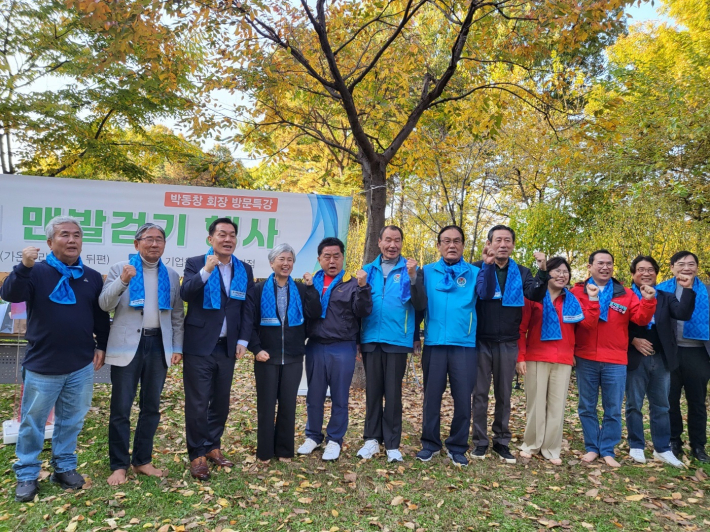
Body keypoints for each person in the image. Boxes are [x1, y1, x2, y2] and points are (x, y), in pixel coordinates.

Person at [0, 216, 110, 502]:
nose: (72, 240)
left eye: (77, 235)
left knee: (71, 421)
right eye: (64, 235)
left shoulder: (91, 276)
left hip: (81, 364)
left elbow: (100, 316)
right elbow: (11, 294)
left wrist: (102, 346)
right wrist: (23, 266)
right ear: (50, 242)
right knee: (33, 422)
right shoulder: (36, 272)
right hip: (43, 364)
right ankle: (26, 474)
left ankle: (64, 467)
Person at [99, 223, 185, 485]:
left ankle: (142, 460)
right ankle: (119, 465)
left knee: (151, 407)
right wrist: (123, 281)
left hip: (158, 346)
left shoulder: (170, 275)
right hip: (127, 346)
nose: (154, 244)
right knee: (121, 408)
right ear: (137, 244)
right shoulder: (120, 268)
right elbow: (105, 304)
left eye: (160, 240)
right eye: (149, 239)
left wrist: (177, 347)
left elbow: (178, 314)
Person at [180, 217, 255, 480]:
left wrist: (243, 340)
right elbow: (186, 294)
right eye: (222, 234)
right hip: (199, 346)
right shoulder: (195, 263)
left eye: (232, 234)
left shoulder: (243, 269)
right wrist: (206, 271)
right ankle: (197, 454)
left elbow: (247, 308)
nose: (227, 239)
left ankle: (213, 446)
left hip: (227, 347)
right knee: (198, 402)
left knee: (221, 402)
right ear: (210, 239)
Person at [571, 249, 656, 467]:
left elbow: (640, 319)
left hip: (615, 359)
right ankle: (592, 447)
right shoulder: (577, 291)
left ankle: (607, 448)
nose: (605, 267)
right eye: (600, 263)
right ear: (590, 266)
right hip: (586, 356)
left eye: (609, 263)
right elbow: (575, 323)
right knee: (586, 406)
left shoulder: (625, 293)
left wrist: (647, 301)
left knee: (613, 408)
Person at [415, 225, 492, 467]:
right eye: (446, 241)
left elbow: (487, 294)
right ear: (438, 245)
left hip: (464, 345)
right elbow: (418, 304)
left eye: (457, 241)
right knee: (432, 397)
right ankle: (430, 444)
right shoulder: (426, 272)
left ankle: (457, 446)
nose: (451, 245)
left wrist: (488, 266)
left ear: (463, 245)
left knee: (462, 398)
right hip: (435, 344)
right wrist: (415, 337)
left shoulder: (474, 271)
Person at [471, 225, 549, 464]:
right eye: (498, 240)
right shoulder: (476, 268)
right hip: (480, 341)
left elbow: (535, 294)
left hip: (507, 341)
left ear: (513, 245)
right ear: (489, 243)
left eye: (507, 240)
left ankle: (501, 442)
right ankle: (480, 442)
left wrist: (543, 270)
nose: (502, 244)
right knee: (480, 394)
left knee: (504, 395)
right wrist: (487, 266)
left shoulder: (523, 272)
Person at [517, 256, 600, 465]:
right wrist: (520, 356)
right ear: (548, 273)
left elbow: (588, 326)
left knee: (557, 405)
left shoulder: (572, 300)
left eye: (566, 272)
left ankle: (551, 448)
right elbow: (521, 329)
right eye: (557, 271)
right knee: (536, 404)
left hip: (563, 358)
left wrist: (592, 300)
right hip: (536, 356)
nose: (562, 275)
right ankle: (531, 444)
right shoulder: (533, 297)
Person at [297, 237, 373, 461]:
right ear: (319, 258)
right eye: (327, 256)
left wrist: (362, 287)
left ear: (343, 258)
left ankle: (334, 440)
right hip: (315, 346)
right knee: (314, 395)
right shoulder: (311, 283)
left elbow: (363, 311)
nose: (332, 261)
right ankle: (312, 435)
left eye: (336, 256)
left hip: (342, 347)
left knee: (339, 396)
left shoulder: (351, 282)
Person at [357, 226, 427, 463]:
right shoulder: (367, 271)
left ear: (401, 244)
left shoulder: (410, 270)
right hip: (370, 339)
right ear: (379, 242)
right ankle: (371, 440)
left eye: (397, 240)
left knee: (393, 393)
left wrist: (414, 277)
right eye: (388, 240)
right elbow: (358, 309)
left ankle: (393, 444)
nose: (392, 245)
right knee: (373, 392)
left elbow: (419, 305)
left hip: (397, 339)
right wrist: (358, 339)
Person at [249, 244, 321, 462]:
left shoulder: (300, 289)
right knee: (266, 405)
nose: (286, 263)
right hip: (266, 356)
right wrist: (256, 349)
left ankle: (284, 450)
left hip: (292, 356)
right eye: (281, 259)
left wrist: (311, 289)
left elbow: (314, 314)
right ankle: (264, 452)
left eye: (290, 259)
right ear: (272, 263)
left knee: (288, 405)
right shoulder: (258, 289)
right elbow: (249, 323)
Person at [625, 255, 695, 468]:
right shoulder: (625, 295)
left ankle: (662, 448)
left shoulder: (666, 296)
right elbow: (614, 323)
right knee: (634, 404)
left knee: (662, 405)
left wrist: (688, 288)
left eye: (650, 270)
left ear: (656, 273)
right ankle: (636, 444)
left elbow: (683, 313)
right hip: (636, 356)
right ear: (633, 273)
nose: (645, 273)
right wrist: (633, 340)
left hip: (662, 357)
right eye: (640, 269)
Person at [657, 251, 710, 463]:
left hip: (698, 352)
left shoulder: (706, 290)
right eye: (681, 264)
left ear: (697, 267)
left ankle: (698, 445)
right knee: (670, 400)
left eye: (691, 264)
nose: (686, 268)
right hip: (670, 351)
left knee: (697, 401)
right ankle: (674, 441)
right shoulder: (661, 290)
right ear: (672, 267)